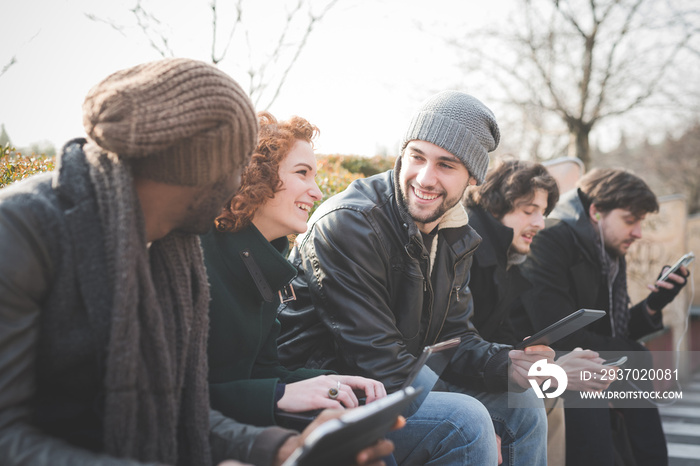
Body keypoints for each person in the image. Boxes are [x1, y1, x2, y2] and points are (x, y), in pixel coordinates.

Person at [0, 58, 394, 466]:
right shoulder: (22, 231)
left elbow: (181, 415)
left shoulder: (174, 248)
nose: (240, 181)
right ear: (190, 165)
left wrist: (280, 449)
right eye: (234, 163)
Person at [278, 91, 551, 465]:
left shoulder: (456, 234)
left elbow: (454, 339)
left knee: (522, 403)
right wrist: (481, 414)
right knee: (466, 420)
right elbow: (374, 361)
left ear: (472, 177)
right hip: (330, 387)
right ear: (402, 154)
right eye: (417, 157)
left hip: (390, 381)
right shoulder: (351, 223)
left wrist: (508, 364)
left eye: (446, 165)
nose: (425, 177)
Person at [201, 111, 386, 428]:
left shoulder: (266, 261)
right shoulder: (200, 255)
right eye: (303, 173)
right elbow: (181, 395)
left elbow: (265, 372)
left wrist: (335, 382)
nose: (316, 192)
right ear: (253, 175)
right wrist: (274, 396)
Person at [514, 167, 690, 466]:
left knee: (634, 356)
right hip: (532, 363)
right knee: (596, 370)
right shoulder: (550, 240)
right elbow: (557, 333)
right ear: (596, 212)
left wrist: (654, 303)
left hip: (574, 360)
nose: (638, 233)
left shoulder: (607, 252)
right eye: (630, 220)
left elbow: (613, 331)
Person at [464, 159, 616, 466]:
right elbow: (460, 350)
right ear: (495, 207)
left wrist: (553, 365)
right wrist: (551, 371)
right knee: (540, 399)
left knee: (557, 396)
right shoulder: (470, 254)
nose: (540, 222)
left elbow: (496, 340)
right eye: (528, 210)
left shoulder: (505, 260)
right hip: (450, 382)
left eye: (543, 212)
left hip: (480, 372)